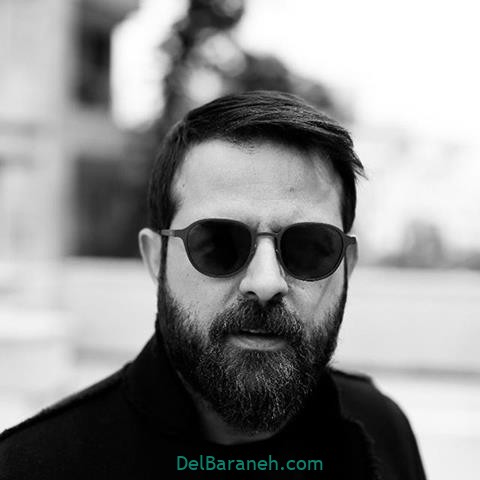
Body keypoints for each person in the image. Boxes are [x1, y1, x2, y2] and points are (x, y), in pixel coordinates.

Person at [0, 91, 426, 479]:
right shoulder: (32, 467)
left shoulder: (382, 429)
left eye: (308, 248)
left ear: (346, 266)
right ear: (156, 258)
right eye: (220, 244)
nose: (265, 282)